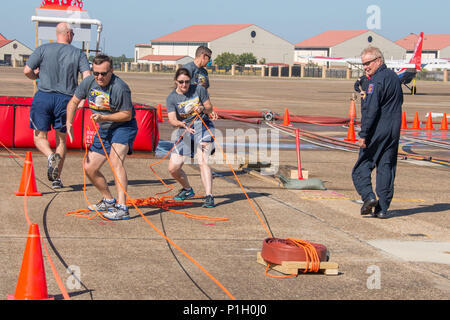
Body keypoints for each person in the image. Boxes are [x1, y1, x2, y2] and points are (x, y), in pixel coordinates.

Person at [66, 54, 138, 221]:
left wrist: (104, 117)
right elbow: (73, 102)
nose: (99, 77)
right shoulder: (88, 82)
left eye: (103, 73)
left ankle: (122, 207)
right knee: (89, 168)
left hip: (123, 127)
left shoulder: (120, 87)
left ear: (111, 71)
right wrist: (68, 123)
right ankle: (108, 200)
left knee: (115, 161)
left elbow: (127, 115)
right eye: (95, 72)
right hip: (104, 129)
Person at [24, 22, 91, 189]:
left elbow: (26, 70)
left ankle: (49, 156)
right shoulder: (78, 53)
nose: (74, 36)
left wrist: (36, 78)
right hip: (66, 100)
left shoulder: (43, 49)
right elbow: (87, 76)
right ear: (68, 34)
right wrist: (81, 99)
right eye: (73, 33)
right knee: (61, 140)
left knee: (39, 137)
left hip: (44, 96)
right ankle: (57, 179)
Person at [351, 47, 403, 219]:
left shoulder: (377, 81)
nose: (365, 67)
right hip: (393, 130)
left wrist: (364, 135)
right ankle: (382, 209)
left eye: (368, 63)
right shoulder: (394, 78)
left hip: (377, 130)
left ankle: (369, 197)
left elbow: (371, 110)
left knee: (361, 168)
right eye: (363, 64)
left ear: (378, 60)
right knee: (386, 167)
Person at [166, 68, 216, 208]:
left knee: (202, 160)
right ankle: (187, 190)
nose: (184, 85)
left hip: (203, 126)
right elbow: (172, 120)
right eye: (181, 82)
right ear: (176, 81)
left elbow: (209, 108)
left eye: (187, 82)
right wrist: (180, 124)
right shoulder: (171, 98)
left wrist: (202, 109)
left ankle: (209, 196)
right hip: (185, 130)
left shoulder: (198, 90)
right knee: (173, 168)